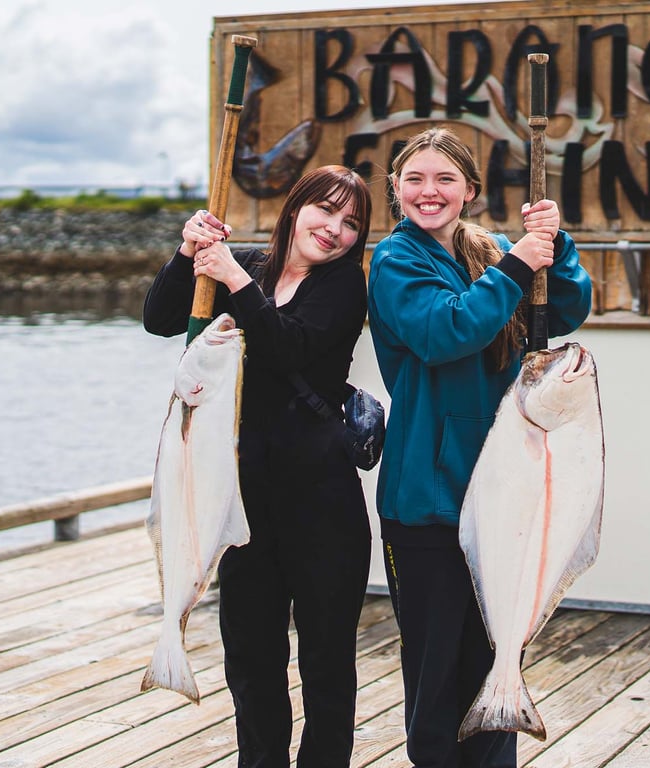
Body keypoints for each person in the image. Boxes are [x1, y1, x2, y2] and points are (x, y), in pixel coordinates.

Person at [366, 127, 592, 768]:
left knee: (498, 662)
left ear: (469, 189)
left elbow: (565, 310)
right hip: (428, 504)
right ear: (396, 190)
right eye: (414, 179)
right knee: (438, 676)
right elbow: (444, 332)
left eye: (444, 179)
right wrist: (520, 262)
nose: (428, 191)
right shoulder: (394, 261)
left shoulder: (489, 252)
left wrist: (555, 243)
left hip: (502, 496)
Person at [143, 165, 374, 768]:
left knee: (326, 661)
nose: (334, 230)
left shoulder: (345, 286)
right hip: (240, 502)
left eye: (351, 223)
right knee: (250, 659)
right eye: (325, 210)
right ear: (295, 207)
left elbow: (289, 345)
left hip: (323, 504)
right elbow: (161, 319)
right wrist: (187, 250)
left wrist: (233, 277)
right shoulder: (245, 264)